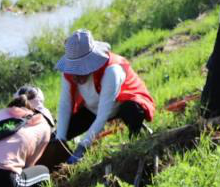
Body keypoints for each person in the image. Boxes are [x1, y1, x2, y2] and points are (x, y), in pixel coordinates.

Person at [55, 29, 156, 165]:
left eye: (80, 70)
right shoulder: (69, 73)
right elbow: (65, 104)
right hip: (93, 108)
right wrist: (60, 139)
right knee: (62, 131)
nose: (76, 77)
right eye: (74, 70)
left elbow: (103, 114)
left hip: (121, 103)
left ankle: (137, 139)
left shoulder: (112, 71)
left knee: (132, 111)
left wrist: (83, 146)